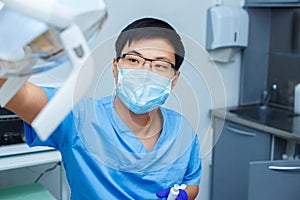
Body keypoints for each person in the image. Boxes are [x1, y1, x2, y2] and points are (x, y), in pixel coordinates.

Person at [1, 17, 201, 199]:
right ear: (115, 67)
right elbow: (15, 91)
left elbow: (191, 182)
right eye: (133, 60)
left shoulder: (182, 130)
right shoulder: (80, 117)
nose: (145, 72)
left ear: (174, 79)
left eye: (160, 65)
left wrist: (183, 195)